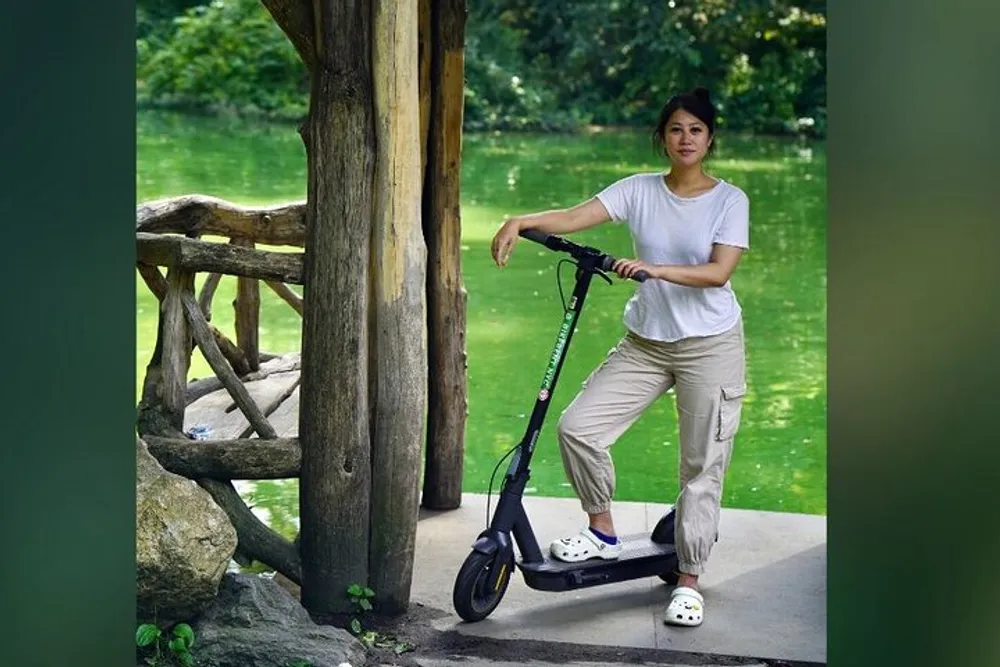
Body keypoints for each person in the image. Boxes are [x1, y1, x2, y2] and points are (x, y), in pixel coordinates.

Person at [489, 87, 749, 627]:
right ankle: (603, 530)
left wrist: (654, 269)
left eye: (696, 130)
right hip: (647, 342)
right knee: (578, 427)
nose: (686, 139)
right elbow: (575, 215)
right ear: (663, 137)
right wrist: (519, 219)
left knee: (701, 467)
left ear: (710, 139)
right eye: (676, 129)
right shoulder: (639, 190)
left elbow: (717, 272)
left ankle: (690, 579)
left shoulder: (730, 200)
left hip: (710, 345)